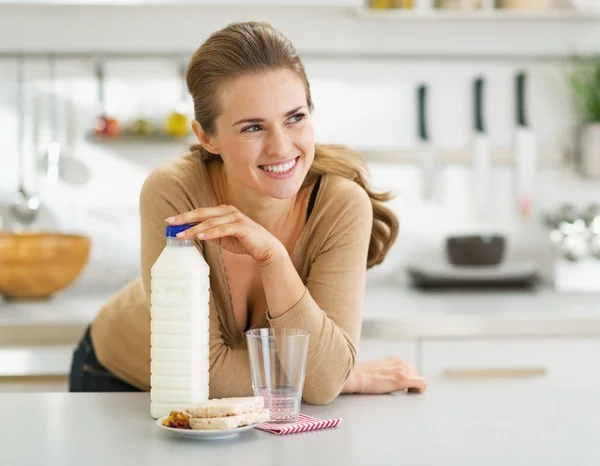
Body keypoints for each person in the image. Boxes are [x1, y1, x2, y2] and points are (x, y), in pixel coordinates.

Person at [69, 21, 427, 403]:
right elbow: (205, 375)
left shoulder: (340, 205)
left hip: (253, 403)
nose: (281, 146)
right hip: (124, 384)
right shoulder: (175, 191)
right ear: (207, 137)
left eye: (295, 117)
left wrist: (273, 257)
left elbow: (322, 384)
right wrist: (341, 375)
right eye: (253, 127)